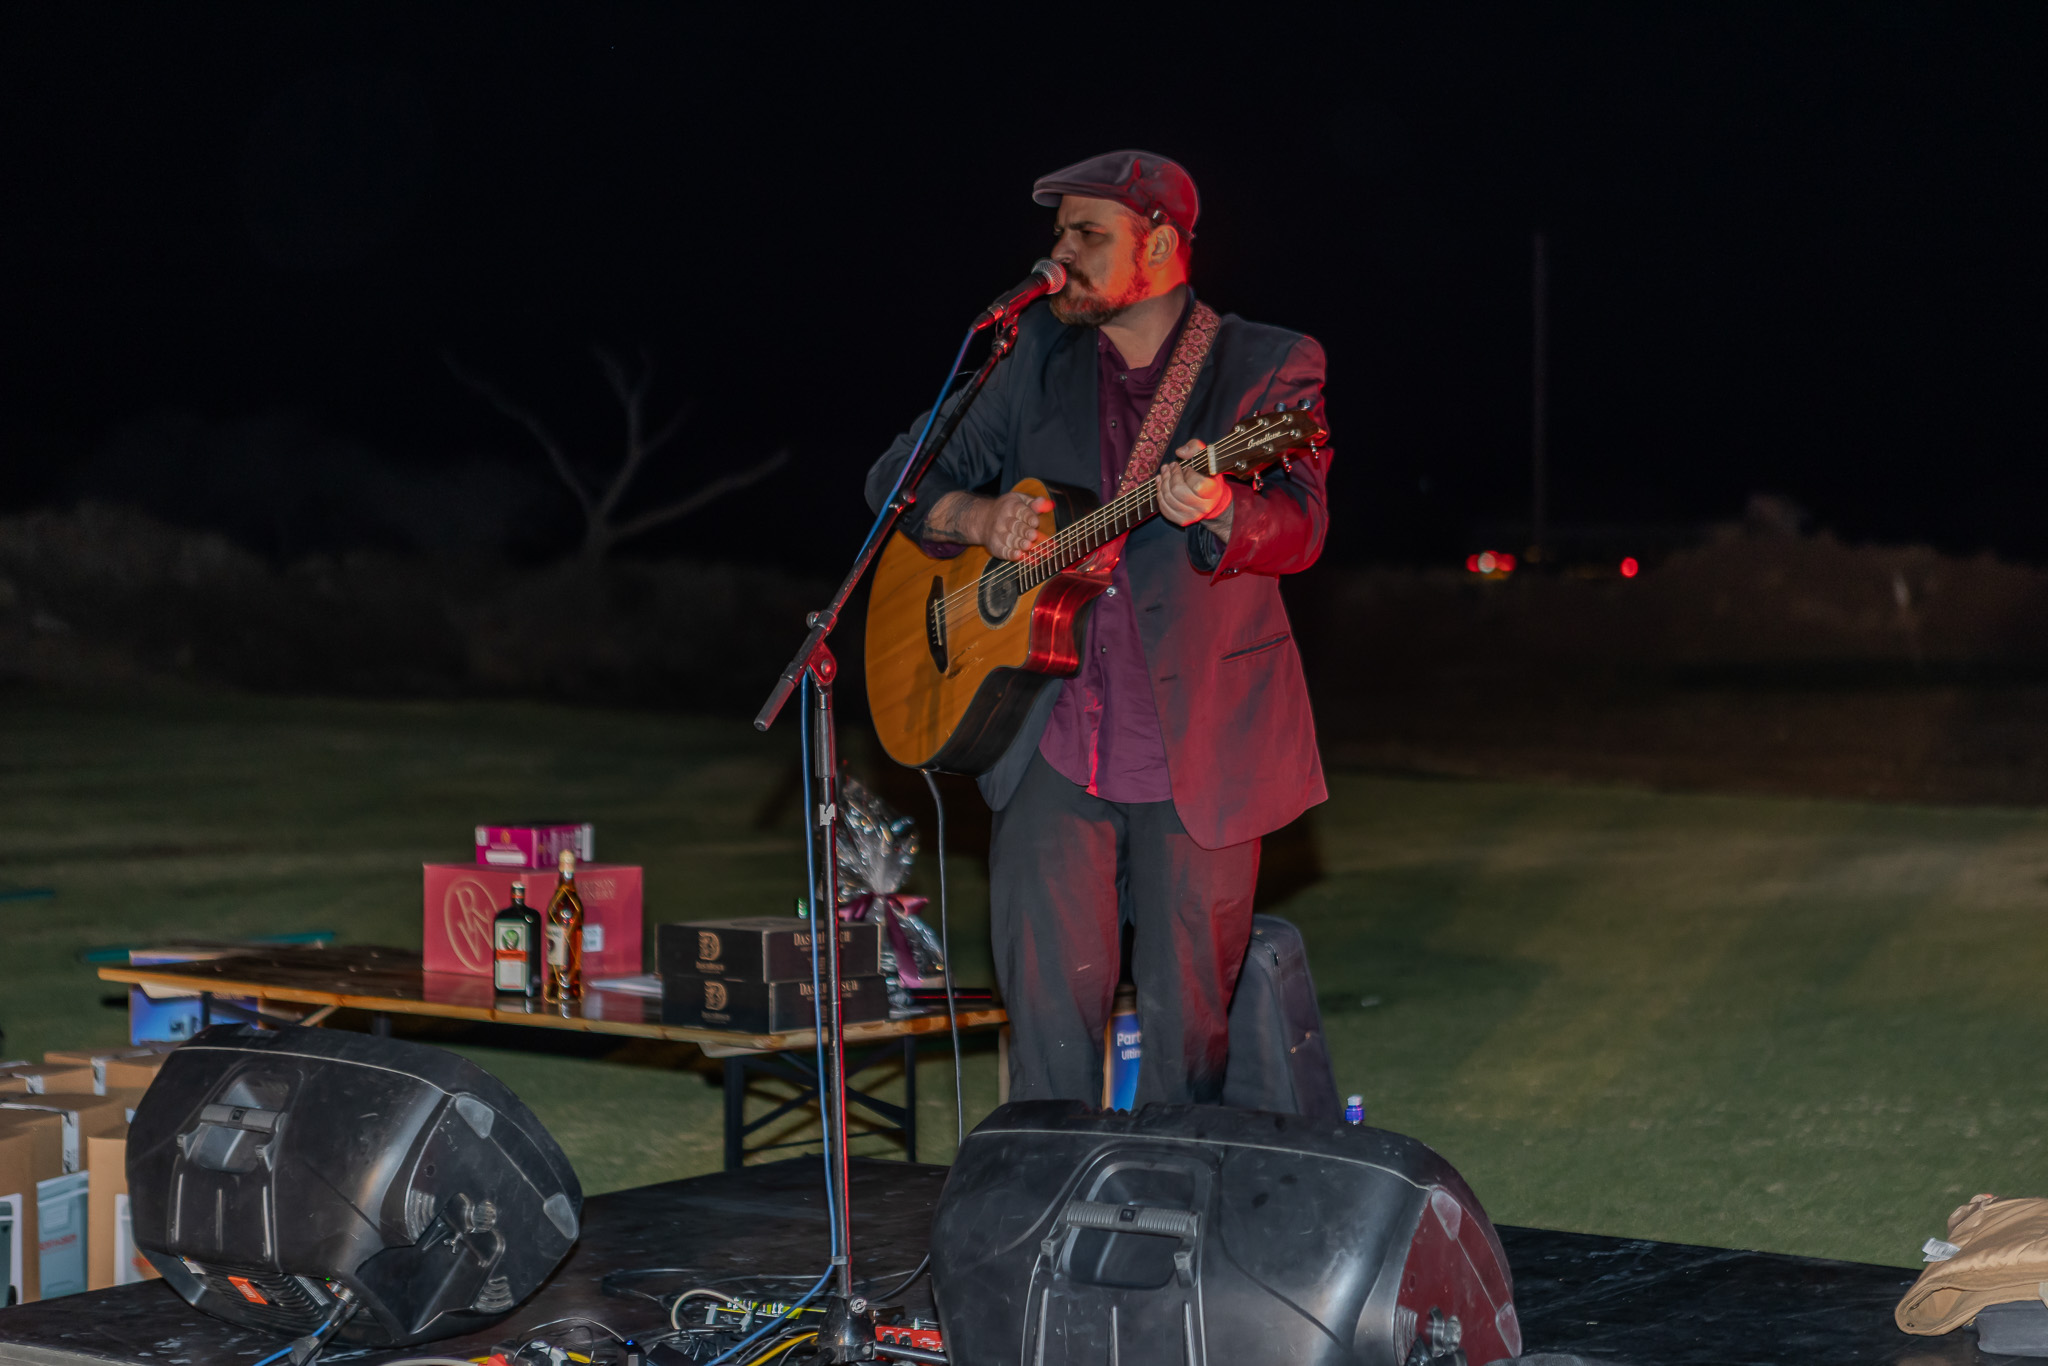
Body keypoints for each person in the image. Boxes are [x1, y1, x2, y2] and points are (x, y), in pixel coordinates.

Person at [864, 150, 1331, 1106]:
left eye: (1087, 234)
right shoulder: (1033, 355)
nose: (1059, 254)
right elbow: (896, 480)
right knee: (1044, 1039)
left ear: (1158, 245)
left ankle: (1172, 1197)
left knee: (1186, 1045)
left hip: (1199, 742)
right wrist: (977, 518)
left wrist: (1220, 511)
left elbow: (1302, 526)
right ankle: (1043, 1192)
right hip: (1049, 733)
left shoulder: (1268, 364)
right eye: (1057, 233)